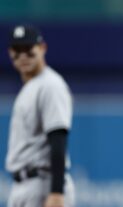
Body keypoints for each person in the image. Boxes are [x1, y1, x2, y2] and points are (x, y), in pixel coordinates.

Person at [5, 25, 75, 207]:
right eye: (17, 51)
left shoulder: (51, 85)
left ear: (42, 48)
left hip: (42, 184)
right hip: (24, 185)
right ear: (9, 53)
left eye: (28, 50)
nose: (23, 57)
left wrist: (56, 192)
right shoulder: (31, 86)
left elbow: (58, 138)